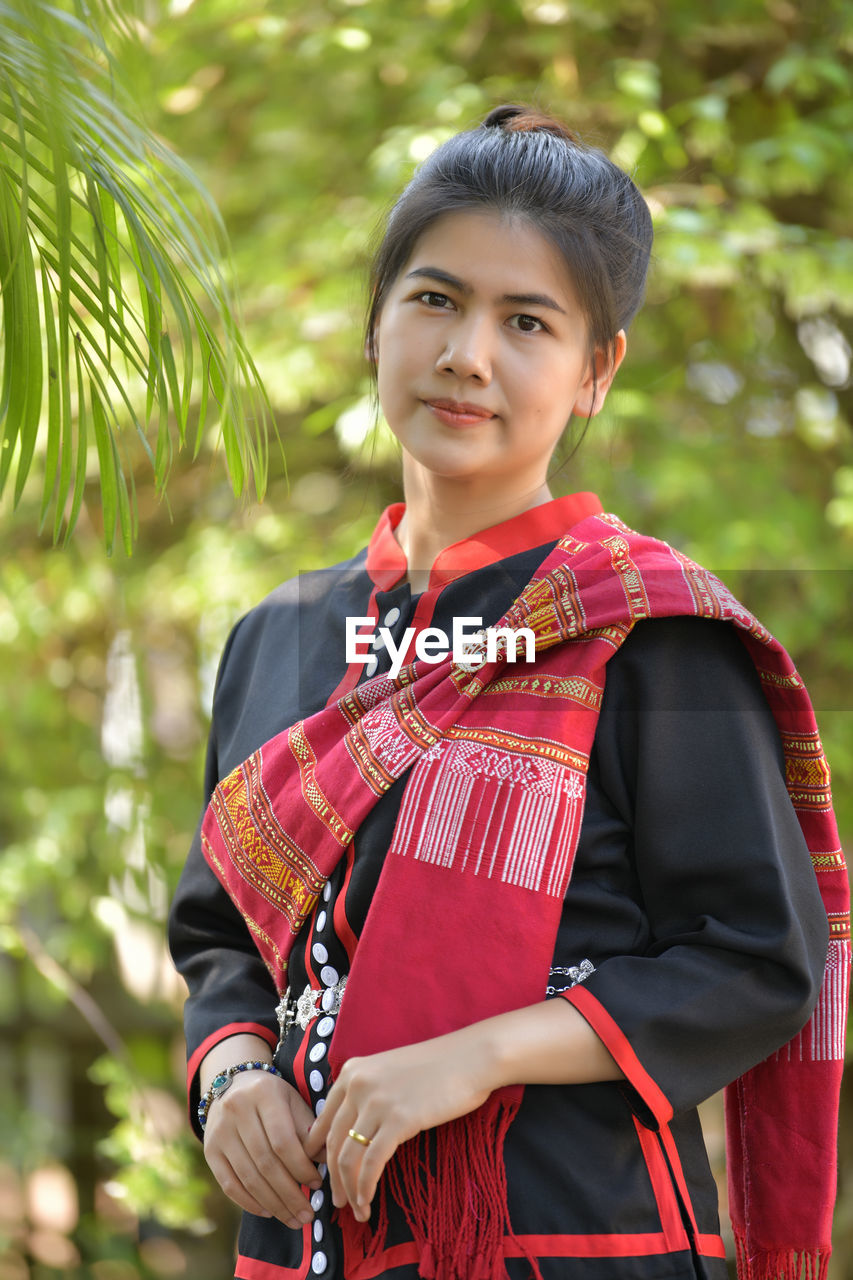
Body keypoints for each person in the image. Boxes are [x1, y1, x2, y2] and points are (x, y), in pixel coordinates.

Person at [168, 106, 848, 1280]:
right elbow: (221, 930)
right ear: (376, 319)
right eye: (433, 300)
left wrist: (474, 1055)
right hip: (304, 1247)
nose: (465, 354)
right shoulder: (279, 637)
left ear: (596, 371)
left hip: (570, 1239)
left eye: (525, 320)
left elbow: (755, 956)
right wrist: (230, 1068)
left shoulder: (648, 633)